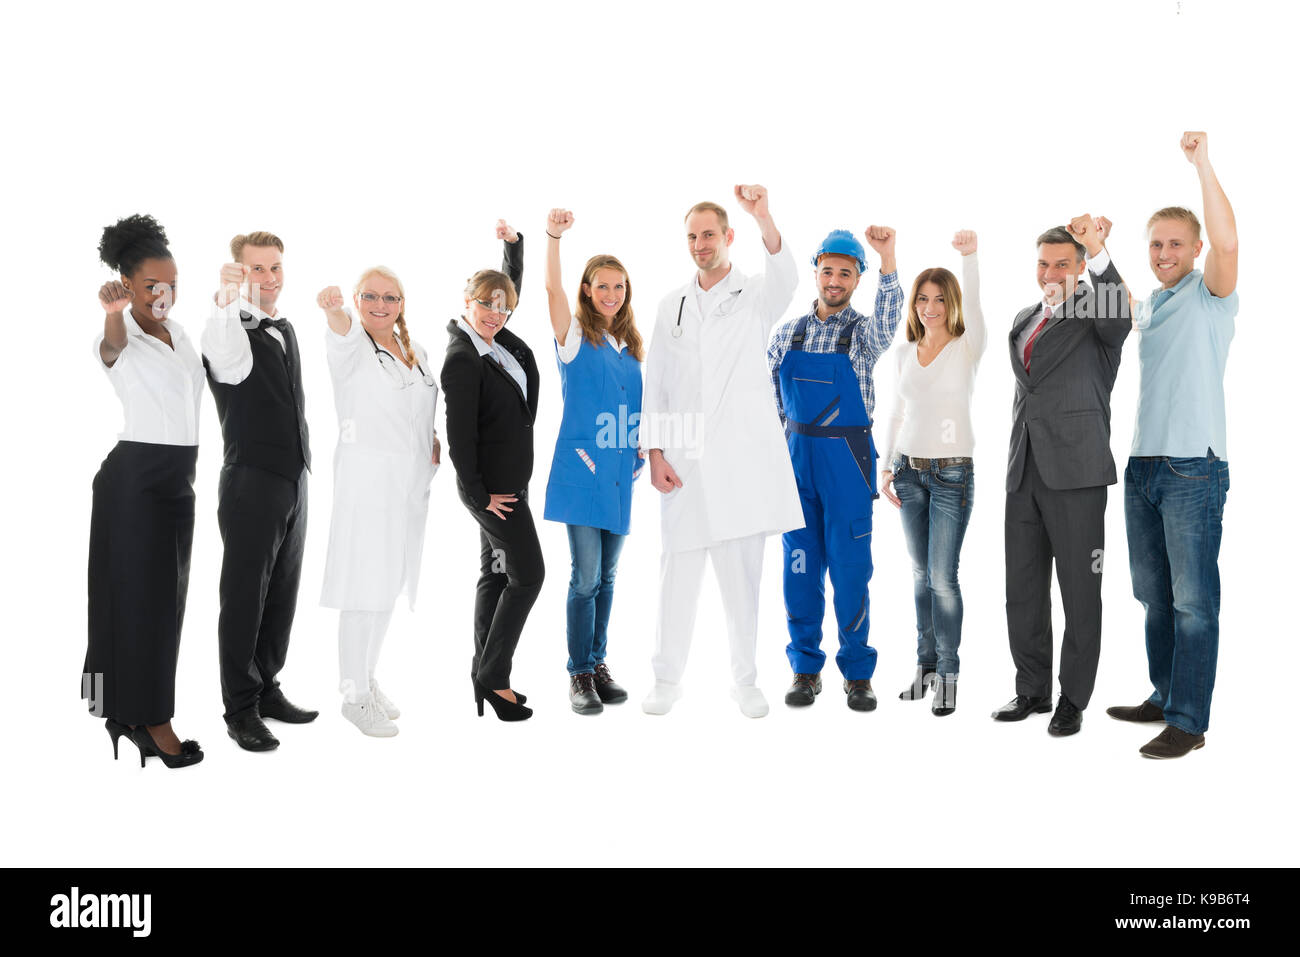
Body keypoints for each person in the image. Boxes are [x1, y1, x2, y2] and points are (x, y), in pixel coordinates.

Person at [640, 185, 803, 718]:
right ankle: (666, 680)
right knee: (677, 575)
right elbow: (656, 382)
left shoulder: (754, 295)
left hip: (741, 467)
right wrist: (656, 452)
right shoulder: (672, 305)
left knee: (742, 582)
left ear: (728, 237)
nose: (700, 244)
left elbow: (787, 276)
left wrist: (764, 215)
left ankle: (745, 681)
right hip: (683, 464)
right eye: (692, 236)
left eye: (709, 234)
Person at [1107, 131, 1237, 759]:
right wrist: (1095, 248)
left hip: (1193, 468)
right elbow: (1096, 304)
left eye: (1175, 244)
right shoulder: (1154, 302)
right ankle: (1164, 694)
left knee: (1193, 603)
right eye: (1155, 244)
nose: (1163, 253)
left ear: (1196, 250)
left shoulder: (1211, 296)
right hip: (1144, 468)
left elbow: (1231, 242)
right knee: (1153, 595)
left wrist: (1203, 165)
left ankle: (1188, 721)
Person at [993, 216, 1131, 736]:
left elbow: (1119, 316)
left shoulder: (1099, 312)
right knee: (1022, 590)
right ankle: (1031, 689)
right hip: (1023, 469)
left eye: (1063, 264)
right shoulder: (1026, 317)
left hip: (1077, 472)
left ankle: (1072, 698)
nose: (1050, 272)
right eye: (1044, 263)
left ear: (1079, 269)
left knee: (1079, 591)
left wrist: (1099, 252)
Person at [768, 226, 904, 712]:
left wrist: (888, 257)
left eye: (845, 272)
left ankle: (858, 674)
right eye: (828, 270)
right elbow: (769, 405)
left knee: (851, 573)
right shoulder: (787, 334)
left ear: (857, 278)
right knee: (799, 571)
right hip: (797, 469)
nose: (835, 279)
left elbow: (892, 321)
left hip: (847, 468)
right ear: (817, 273)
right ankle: (805, 670)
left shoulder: (864, 335)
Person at [84, 214, 204, 769]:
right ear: (127, 285)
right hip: (135, 481)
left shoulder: (180, 334)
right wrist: (112, 315)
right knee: (141, 605)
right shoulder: (118, 335)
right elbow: (111, 349)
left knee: (164, 605)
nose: (164, 294)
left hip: (178, 481)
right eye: (153, 285)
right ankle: (152, 720)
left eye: (172, 284)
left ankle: (127, 712)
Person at [202, 231, 316, 752]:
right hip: (251, 479)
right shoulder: (228, 328)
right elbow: (223, 356)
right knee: (244, 597)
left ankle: (266, 685)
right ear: (238, 273)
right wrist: (226, 301)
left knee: (282, 594)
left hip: (294, 480)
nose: (269, 279)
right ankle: (240, 709)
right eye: (257, 270)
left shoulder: (284, 328)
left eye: (275, 268)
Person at [316, 266, 440, 737]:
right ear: (357, 299)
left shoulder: (416, 351)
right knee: (362, 588)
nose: (380, 305)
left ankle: (367, 679)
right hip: (367, 484)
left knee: (389, 584)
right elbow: (342, 329)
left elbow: (418, 408)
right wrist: (334, 310)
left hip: (409, 485)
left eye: (390, 298)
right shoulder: (352, 348)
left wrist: (431, 438)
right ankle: (353, 696)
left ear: (402, 303)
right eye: (370, 296)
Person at [542, 209, 645, 715]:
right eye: (602, 286)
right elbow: (552, 293)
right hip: (583, 473)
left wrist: (644, 451)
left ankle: (599, 663)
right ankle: (578, 673)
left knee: (607, 578)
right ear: (587, 290)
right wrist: (553, 238)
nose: (612, 295)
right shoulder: (576, 337)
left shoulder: (631, 348)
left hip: (622, 475)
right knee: (584, 578)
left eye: (619, 287)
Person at [879, 231, 985, 716]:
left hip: (951, 476)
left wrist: (969, 257)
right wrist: (886, 466)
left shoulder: (967, 347)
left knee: (943, 577)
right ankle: (923, 670)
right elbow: (896, 414)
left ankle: (948, 675)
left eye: (939, 299)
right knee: (920, 576)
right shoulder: (904, 353)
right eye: (922, 298)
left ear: (951, 303)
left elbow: (976, 303)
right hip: (908, 473)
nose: (930, 306)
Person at [441, 221, 538, 722]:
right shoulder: (464, 358)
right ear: (466, 301)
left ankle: (483, 671)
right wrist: (481, 497)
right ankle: (493, 677)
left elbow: (508, 284)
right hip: (494, 493)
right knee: (530, 575)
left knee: (497, 575)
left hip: (508, 485)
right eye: (486, 305)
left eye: (503, 307)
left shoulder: (494, 340)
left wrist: (513, 247)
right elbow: (460, 439)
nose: (496, 314)